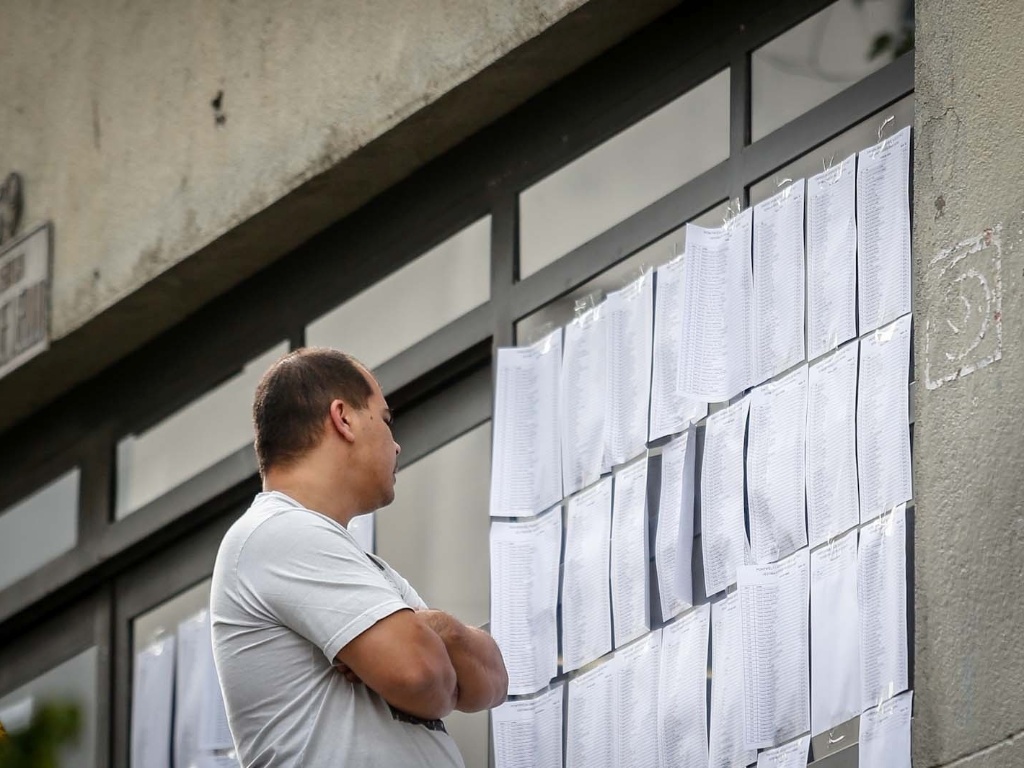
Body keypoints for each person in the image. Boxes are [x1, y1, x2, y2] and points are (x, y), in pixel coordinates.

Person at [210, 348, 508, 767]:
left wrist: (439, 629)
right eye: (385, 419)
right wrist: (428, 648)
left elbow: (493, 681)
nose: (396, 444)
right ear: (343, 418)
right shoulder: (278, 532)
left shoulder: (359, 562)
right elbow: (423, 676)